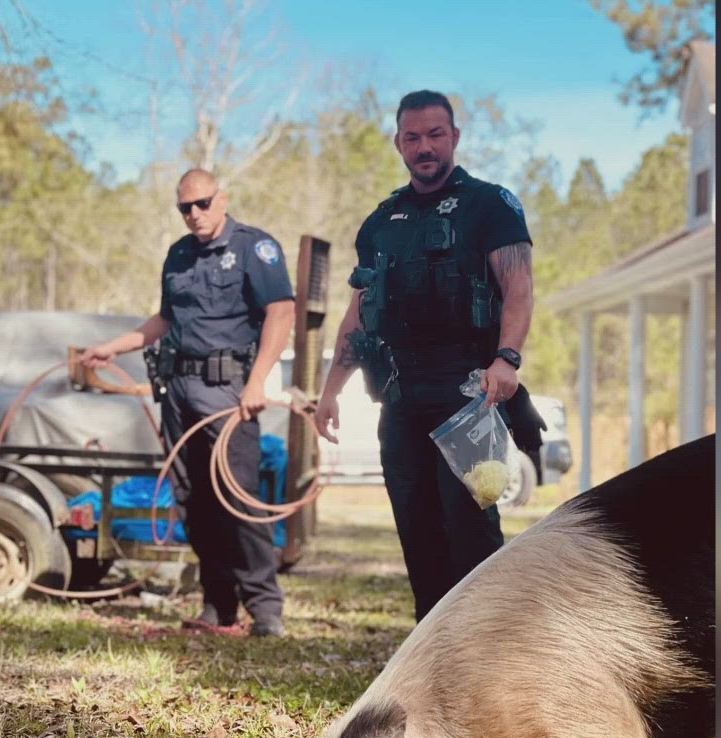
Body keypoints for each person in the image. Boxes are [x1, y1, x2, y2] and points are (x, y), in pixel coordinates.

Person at [314, 90, 542, 620]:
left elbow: (519, 288)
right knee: (416, 531)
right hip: (400, 398)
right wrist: (330, 391)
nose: (425, 147)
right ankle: (432, 655)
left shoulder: (490, 205)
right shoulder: (380, 222)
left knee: (469, 532)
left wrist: (507, 359)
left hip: (470, 398)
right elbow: (359, 314)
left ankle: (491, 652)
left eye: (435, 135)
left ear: (455, 138)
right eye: (412, 137)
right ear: (398, 143)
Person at [84, 168, 295, 637]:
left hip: (229, 391)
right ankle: (218, 605)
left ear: (223, 199)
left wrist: (258, 382)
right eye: (185, 207)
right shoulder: (178, 255)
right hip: (178, 391)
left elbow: (281, 311)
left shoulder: (254, 247)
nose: (195, 214)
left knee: (238, 499)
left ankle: (265, 611)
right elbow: (164, 319)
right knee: (193, 501)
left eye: (202, 203)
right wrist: (113, 347)